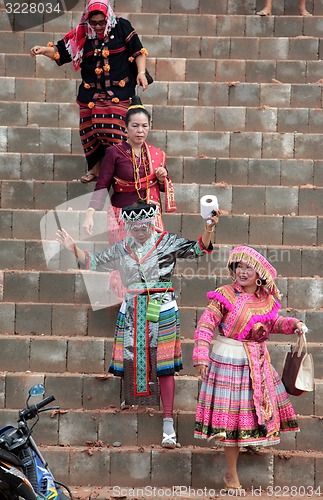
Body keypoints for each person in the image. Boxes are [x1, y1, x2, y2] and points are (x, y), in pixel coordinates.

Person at [57, 201, 219, 448]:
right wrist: (73, 249)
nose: (141, 232)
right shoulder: (122, 248)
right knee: (131, 358)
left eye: (145, 227)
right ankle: (132, 401)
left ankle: (168, 424)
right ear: (128, 227)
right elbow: (93, 261)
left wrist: (209, 228)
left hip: (161, 306)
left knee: (164, 365)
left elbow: (199, 248)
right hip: (133, 307)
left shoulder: (167, 241)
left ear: (152, 223)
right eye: (136, 228)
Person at [193, 245, 307, 491]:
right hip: (228, 362)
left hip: (256, 362)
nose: (242, 272)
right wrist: (201, 355)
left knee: (250, 414)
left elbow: (273, 322)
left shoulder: (265, 300)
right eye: (239, 267)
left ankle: (253, 440)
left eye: (248, 268)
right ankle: (230, 474)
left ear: (259, 275)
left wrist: (293, 324)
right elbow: (205, 324)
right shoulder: (225, 294)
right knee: (231, 421)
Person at [30, 0, 150, 183]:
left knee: (116, 133)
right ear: (87, 20)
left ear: (108, 17)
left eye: (102, 22)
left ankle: (122, 172)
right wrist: (42, 49)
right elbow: (61, 51)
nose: (98, 26)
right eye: (94, 23)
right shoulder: (82, 33)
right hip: (91, 95)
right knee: (89, 133)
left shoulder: (122, 27)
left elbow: (138, 51)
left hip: (118, 93)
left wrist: (141, 73)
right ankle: (95, 169)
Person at [83, 95, 176, 239]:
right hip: (122, 214)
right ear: (126, 127)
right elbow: (102, 184)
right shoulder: (114, 153)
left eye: (144, 126)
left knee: (148, 259)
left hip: (149, 215)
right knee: (124, 259)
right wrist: (90, 213)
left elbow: (163, 186)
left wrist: (162, 177)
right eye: (135, 126)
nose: (140, 130)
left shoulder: (156, 154)